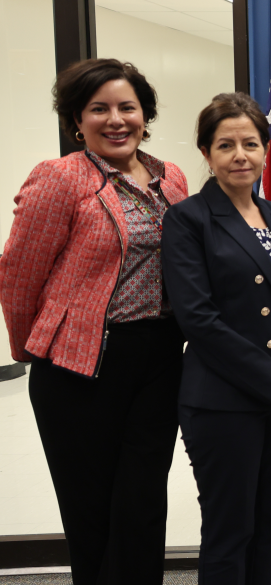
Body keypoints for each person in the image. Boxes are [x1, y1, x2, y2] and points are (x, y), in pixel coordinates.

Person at [0, 58, 188, 584]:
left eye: (127, 107)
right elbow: (18, 275)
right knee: (91, 508)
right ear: (76, 120)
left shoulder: (170, 178)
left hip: (159, 358)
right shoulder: (59, 178)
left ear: (144, 115)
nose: (115, 119)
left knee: (144, 499)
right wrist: (29, 348)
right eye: (98, 109)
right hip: (79, 364)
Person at [162, 92, 271, 585]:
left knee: (270, 525)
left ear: (265, 149)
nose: (240, 155)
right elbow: (199, 319)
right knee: (230, 530)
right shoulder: (188, 219)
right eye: (225, 144)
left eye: (250, 144)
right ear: (206, 152)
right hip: (224, 402)